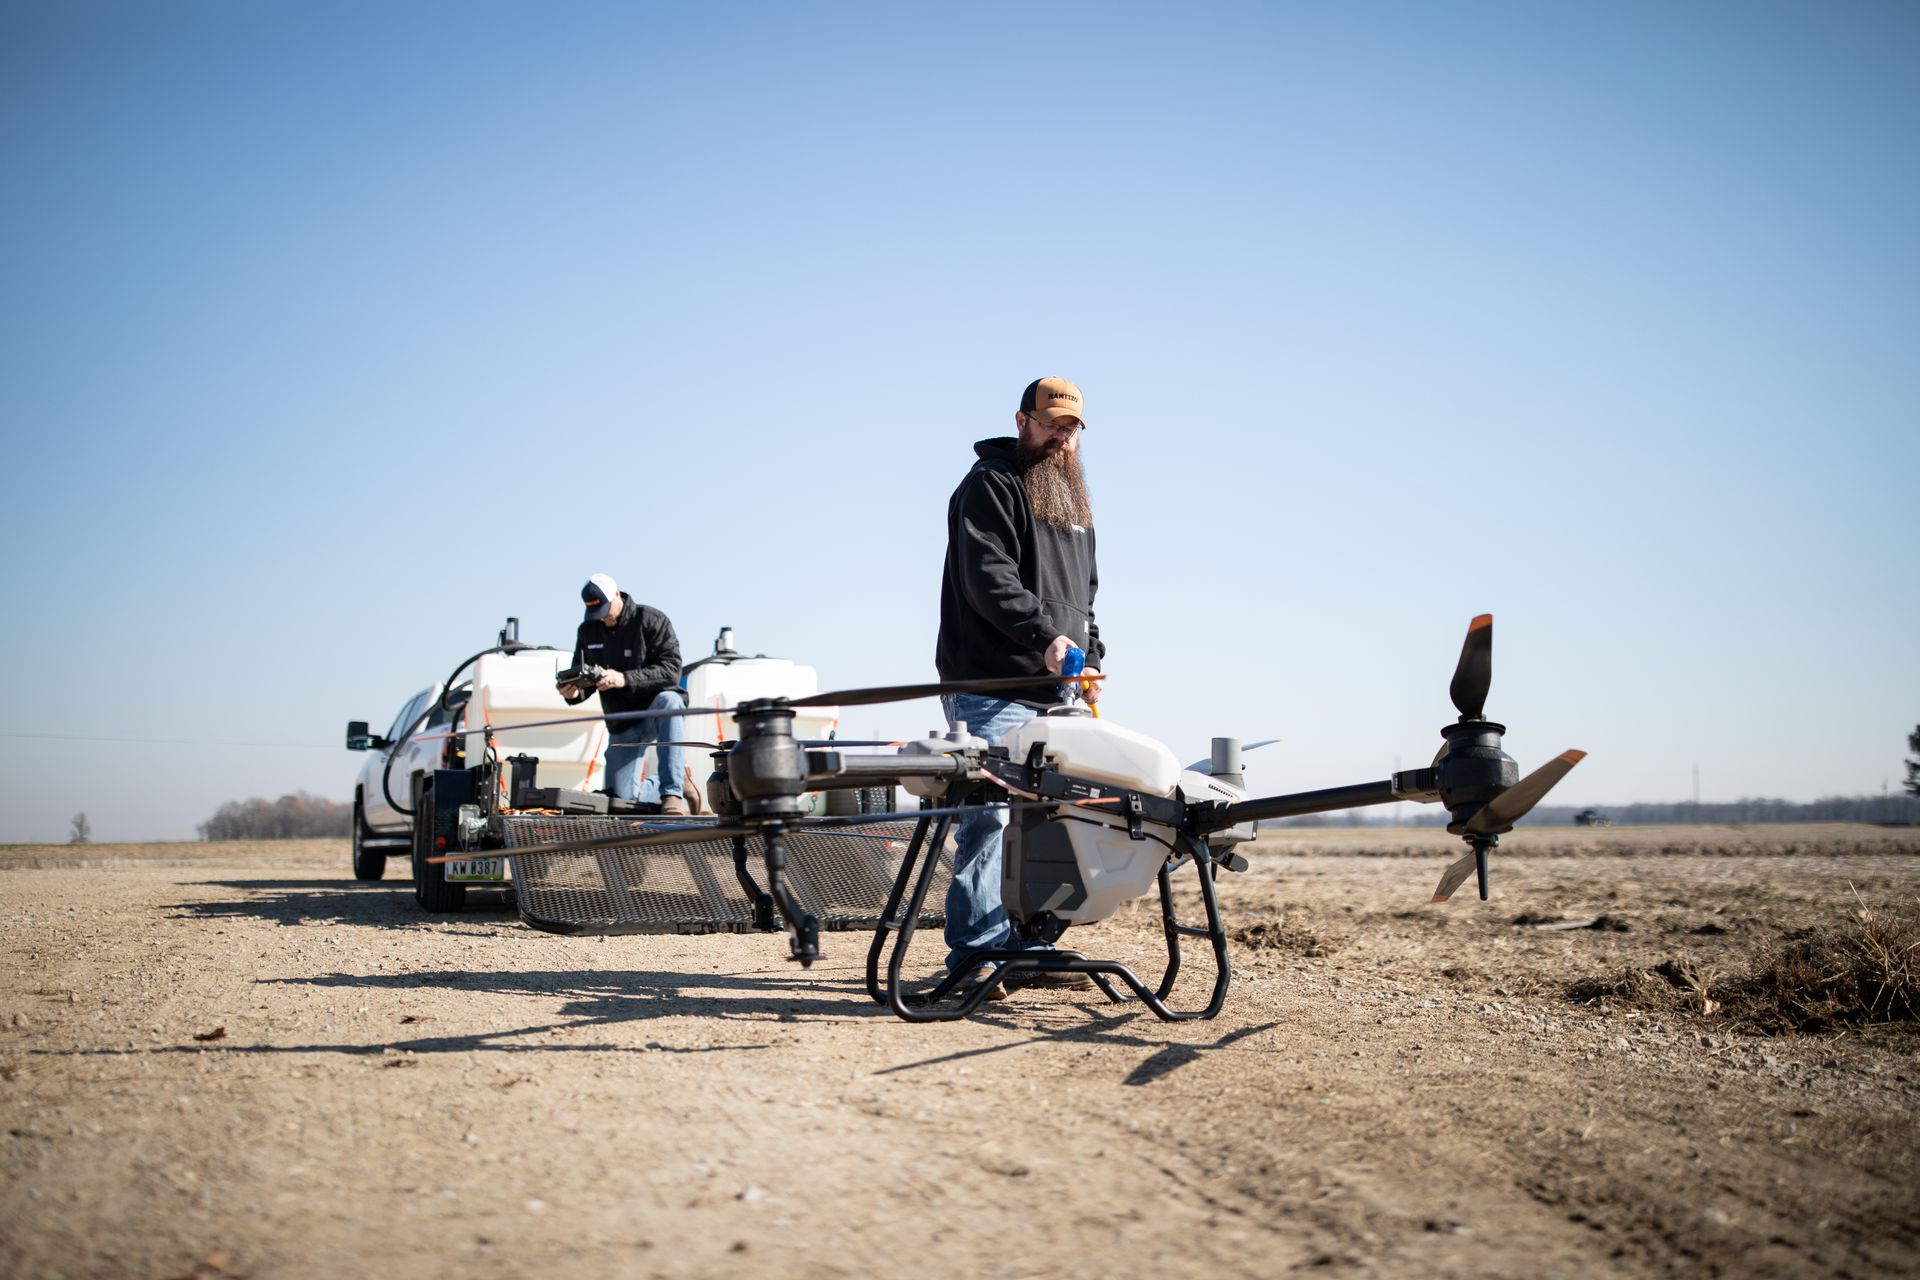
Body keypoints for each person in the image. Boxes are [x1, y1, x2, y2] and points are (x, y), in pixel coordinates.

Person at [934, 376, 1104, 989]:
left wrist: (1091, 651)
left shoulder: (1075, 507)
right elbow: (990, 579)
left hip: (1060, 689)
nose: (1062, 437)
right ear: (1022, 420)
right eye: (1052, 423)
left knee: (1075, 816)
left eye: (1072, 428)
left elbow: (1082, 599)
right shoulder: (990, 485)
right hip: (992, 683)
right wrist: (1046, 637)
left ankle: (1032, 944)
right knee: (986, 819)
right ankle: (977, 953)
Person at [563, 573, 691, 816]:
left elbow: (672, 670)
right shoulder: (587, 630)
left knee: (671, 702)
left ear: (617, 595)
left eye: (604, 609)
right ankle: (678, 779)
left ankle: (672, 793)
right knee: (623, 799)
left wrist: (625, 678)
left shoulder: (652, 620)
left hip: (655, 707)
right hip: (621, 720)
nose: (602, 617)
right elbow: (585, 681)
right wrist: (573, 693)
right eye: (595, 612)